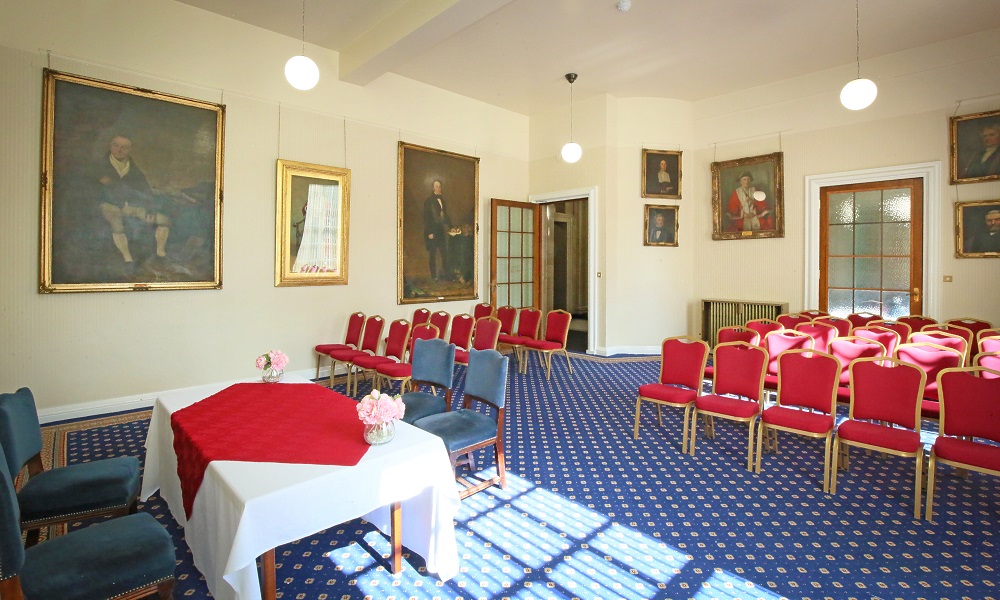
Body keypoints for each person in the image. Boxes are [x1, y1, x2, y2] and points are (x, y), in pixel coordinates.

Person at [95, 134, 170, 264]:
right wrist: (99, 183)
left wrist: (150, 209)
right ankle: (128, 259)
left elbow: (146, 191)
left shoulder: (133, 169)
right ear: (110, 146)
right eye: (116, 145)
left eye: (124, 147)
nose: (119, 150)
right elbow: (87, 189)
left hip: (129, 206)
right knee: (117, 223)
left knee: (164, 220)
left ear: (129, 150)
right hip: (107, 204)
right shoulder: (98, 166)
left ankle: (160, 255)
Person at [422, 179, 451, 280]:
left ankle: (447, 275)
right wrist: (429, 232)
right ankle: (434, 276)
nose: (439, 188)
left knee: (444, 253)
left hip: (441, 231)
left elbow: (445, 215)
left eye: (440, 186)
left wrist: (451, 227)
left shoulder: (442, 199)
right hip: (432, 232)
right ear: (433, 188)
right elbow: (426, 218)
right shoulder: (428, 201)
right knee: (433, 255)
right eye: (437, 186)